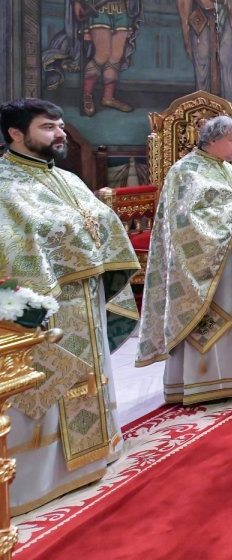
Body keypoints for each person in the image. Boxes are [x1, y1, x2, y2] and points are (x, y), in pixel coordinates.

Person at [0, 98, 140, 514]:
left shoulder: (68, 179)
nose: (60, 134)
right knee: (46, 383)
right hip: (43, 307)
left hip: (86, 296)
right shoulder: (5, 184)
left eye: (60, 126)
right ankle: (38, 478)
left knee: (90, 375)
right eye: (48, 127)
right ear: (15, 133)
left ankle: (95, 453)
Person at [136, 115, 232, 404]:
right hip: (207, 268)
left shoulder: (228, 170)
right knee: (214, 318)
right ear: (213, 139)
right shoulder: (186, 171)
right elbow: (183, 220)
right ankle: (206, 381)